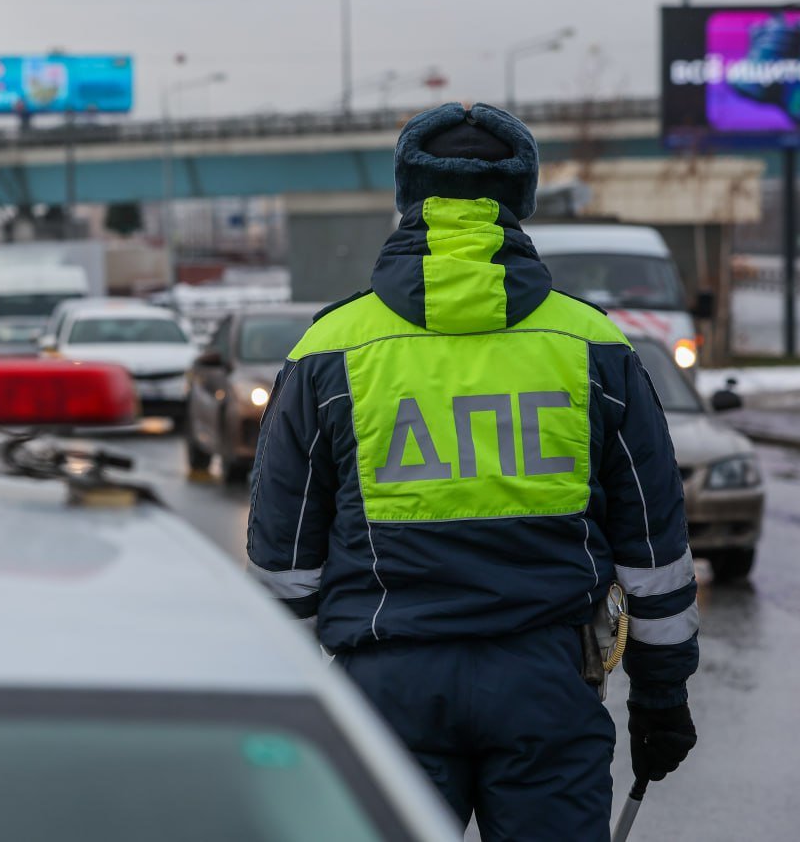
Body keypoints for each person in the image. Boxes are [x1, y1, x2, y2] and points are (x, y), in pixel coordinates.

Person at [247, 103, 698, 841]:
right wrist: (661, 695)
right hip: (547, 690)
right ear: (521, 199)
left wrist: (284, 705)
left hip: (385, 691)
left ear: (408, 196)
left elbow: (284, 562)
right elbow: (653, 550)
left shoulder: (329, 350)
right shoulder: (594, 346)